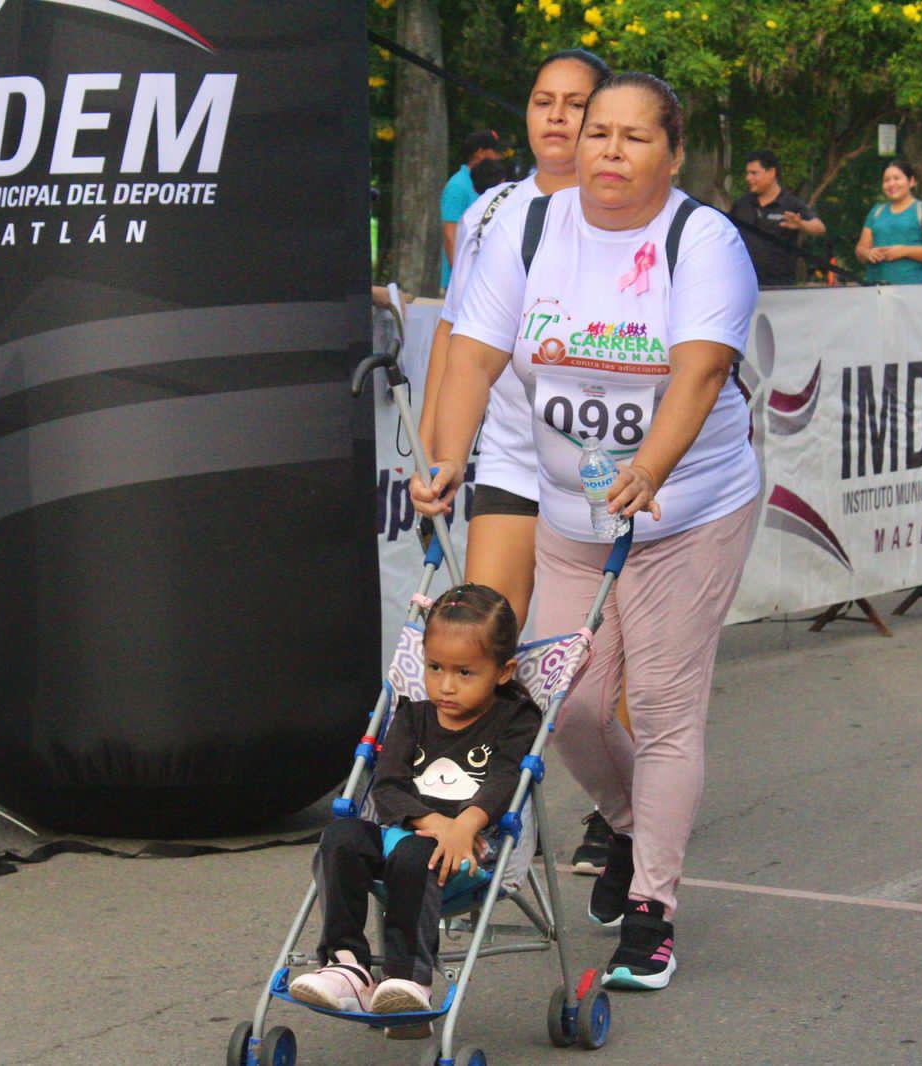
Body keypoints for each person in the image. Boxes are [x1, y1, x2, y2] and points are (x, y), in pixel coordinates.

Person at [414, 72, 760, 991]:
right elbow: (475, 355)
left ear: (672, 153)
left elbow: (696, 375)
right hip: (572, 514)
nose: (609, 150)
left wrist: (651, 467)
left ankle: (653, 912)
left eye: (635, 137)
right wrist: (446, 454)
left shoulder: (703, 241)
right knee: (561, 698)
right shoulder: (527, 232)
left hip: (689, 509)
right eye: (598, 132)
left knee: (662, 699)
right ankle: (627, 818)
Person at [416, 49, 617, 876]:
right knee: (486, 640)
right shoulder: (496, 208)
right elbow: (459, 339)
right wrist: (438, 451)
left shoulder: (627, 212)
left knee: (594, 659)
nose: (559, 118)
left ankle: (618, 808)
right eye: (544, 101)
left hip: (600, 465)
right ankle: (495, 812)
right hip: (506, 456)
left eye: (577, 104)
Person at [288, 585, 541, 1015]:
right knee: (341, 836)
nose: (445, 686)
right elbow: (386, 786)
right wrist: (433, 821)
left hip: (469, 850)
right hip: (406, 832)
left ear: (503, 671)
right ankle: (347, 965)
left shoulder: (514, 720)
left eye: (464, 673)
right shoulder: (411, 716)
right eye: (434, 667)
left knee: (414, 854)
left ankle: (409, 978)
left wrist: (462, 825)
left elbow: (504, 782)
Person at [727, 148, 826, 287]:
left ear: (771, 173)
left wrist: (801, 225)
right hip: (744, 285)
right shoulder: (741, 204)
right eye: (747, 173)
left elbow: (819, 228)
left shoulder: (791, 203)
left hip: (780, 286)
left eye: (754, 173)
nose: (748, 178)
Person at [855, 159, 922, 284]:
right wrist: (868, 253)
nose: (891, 184)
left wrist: (904, 251)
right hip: (876, 288)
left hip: (915, 288)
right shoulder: (876, 212)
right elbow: (860, 249)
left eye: (897, 178)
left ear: (911, 181)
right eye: (886, 180)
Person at [441, 130, 502, 288]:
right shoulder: (458, 186)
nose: (498, 157)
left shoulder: (489, 183)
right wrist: (460, 277)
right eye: (495, 151)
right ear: (480, 153)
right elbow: (450, 234)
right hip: (463, 283)